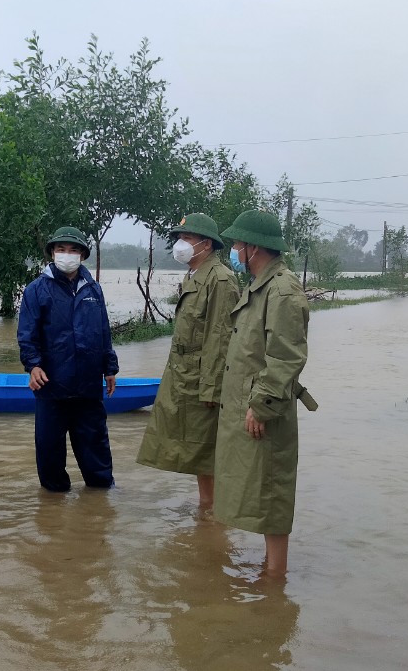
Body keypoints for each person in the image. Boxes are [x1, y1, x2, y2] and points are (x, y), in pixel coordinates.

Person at [213, 209, 316, 578]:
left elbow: (286, 356)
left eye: (238, 244)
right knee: (255, 490)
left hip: (264, 409)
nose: (236, 251)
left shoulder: (283, 290)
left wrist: (261, 405)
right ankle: (269, 573)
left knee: (272, 493)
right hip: (250, 406)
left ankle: (275, 583)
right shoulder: (259, 286)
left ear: (254, 248)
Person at [136, 212, 239, 511]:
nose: (180, 244)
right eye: (179, 238)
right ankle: (207, 514)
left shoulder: (220, 279)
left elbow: (220, 339)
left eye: (187, 238)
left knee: (207, 450)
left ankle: (214, 517)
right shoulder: (195, 275)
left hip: (201, 381)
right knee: (195, 450)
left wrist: (212, 389)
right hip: (183, 375)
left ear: (206, 244)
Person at [17, 226, 119, 492]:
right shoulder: (36, 290)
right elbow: (27, 334)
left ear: (83, 255)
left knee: (95, 449)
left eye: (73, 250)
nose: (67, 255)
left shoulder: (93, 289)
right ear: (52, 253)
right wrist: (33, 365)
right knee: (49, 452)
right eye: (61, 249)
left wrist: (110, 367)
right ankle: (52, 513)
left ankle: (100, 504)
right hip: (52, 385)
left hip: (88, 385)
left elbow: (103, 331)